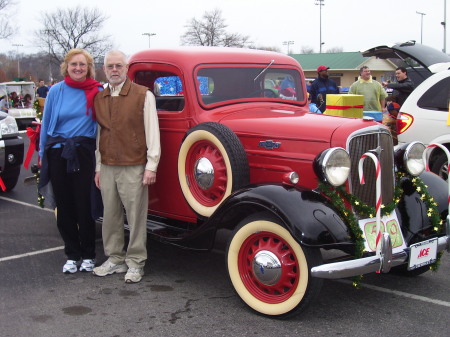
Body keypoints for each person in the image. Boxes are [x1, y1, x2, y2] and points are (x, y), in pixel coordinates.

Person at [93, 50, 161, 284]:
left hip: (134, 164)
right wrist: (98, 166)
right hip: (108, 165)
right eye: (110, 66)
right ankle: (115, 258)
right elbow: (100, 133)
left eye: (118, 66)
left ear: (126, 68)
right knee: (110, 215)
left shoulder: (143, 95)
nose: (114, 70)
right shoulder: (100, 97)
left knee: (135, 217)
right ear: (104, 69)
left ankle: (135, 262)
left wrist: (152, 165)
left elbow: (152, 131)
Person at [38, 49, 103, 274]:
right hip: (58, 153)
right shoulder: (56, 91)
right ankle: (72, 253)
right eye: (74, 64)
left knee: (84, 204)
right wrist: (41, 154)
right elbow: (46, 125)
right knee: (64, 206)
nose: (78, 68)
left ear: (89, 67)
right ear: (67, 66)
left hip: (84, 153)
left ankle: (88, 254)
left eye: (82, 65)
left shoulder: (97, 90)